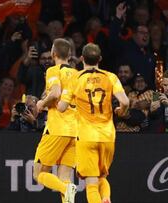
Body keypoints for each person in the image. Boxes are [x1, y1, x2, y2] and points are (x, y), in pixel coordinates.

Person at [57, 43, 129, 203]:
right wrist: (121, 111)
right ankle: (106, 198)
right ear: (100, 59)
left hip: (86, 136)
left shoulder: (75, 79)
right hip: (107, 136)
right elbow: (125, 101)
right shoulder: (110, 77)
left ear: (82, 58)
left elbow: (61, 108)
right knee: (102, 176)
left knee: (90, 182)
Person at [32, 38, 78, 203]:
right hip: (75, 132)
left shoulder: (53, 70)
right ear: (70, 55)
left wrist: (41, 103)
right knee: (64, 176)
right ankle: (67, 188)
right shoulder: (77, 74)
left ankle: (65, 188)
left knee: (38, 173)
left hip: (57, 128)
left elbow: (56, 93)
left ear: (53, 53)